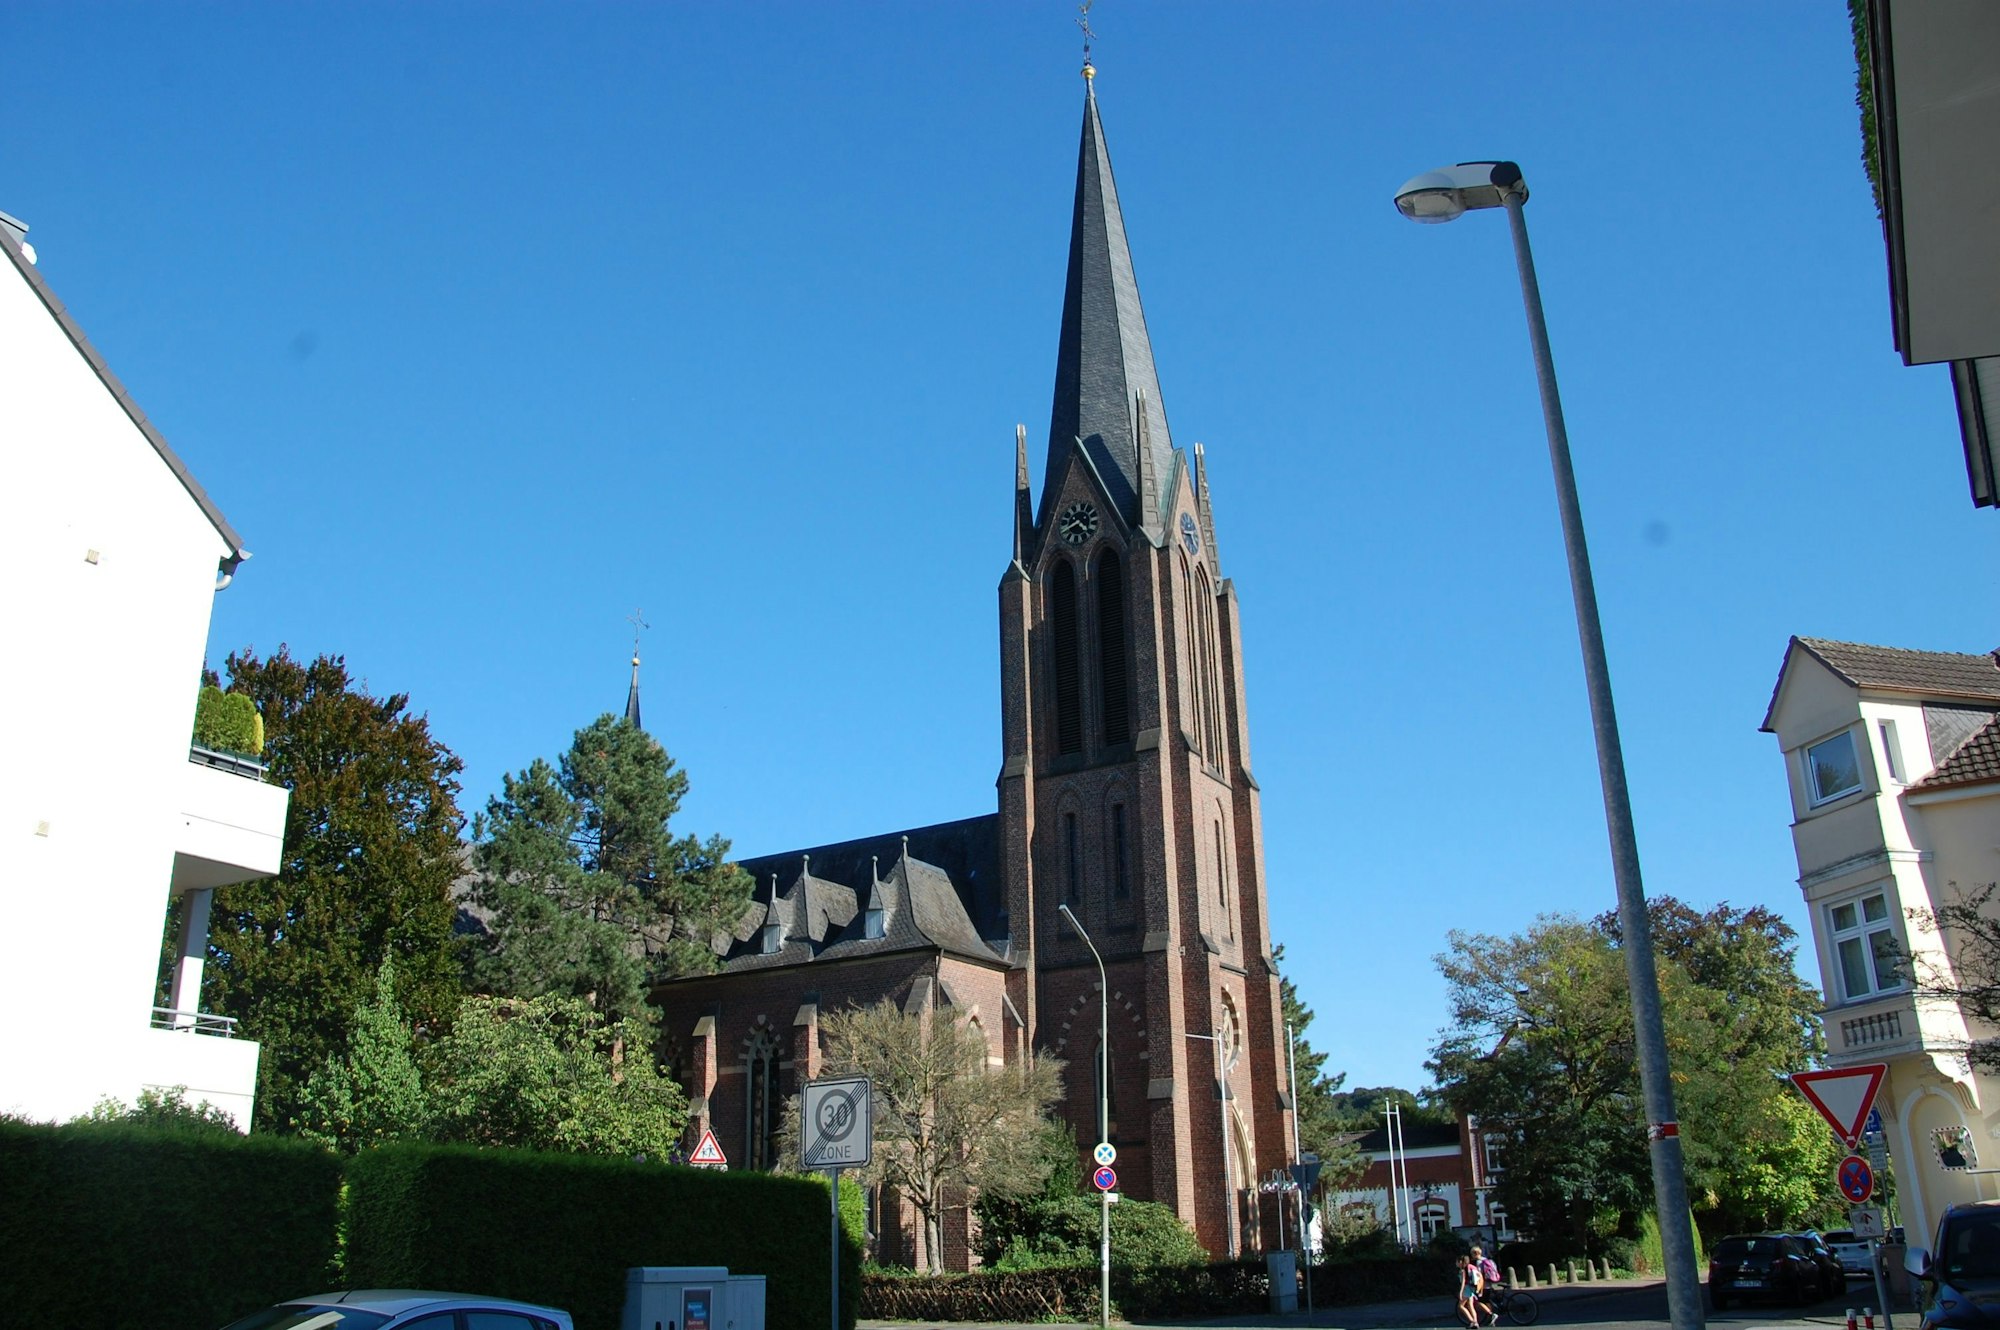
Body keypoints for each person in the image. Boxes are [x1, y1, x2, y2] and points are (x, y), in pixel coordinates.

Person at [1470, 1245, 1503, 1325]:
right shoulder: (1487, 1260)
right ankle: (1491, 1319)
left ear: (1475, 1254)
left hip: (1483, 1285)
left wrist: (1475, 1284)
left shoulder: (1479, 1262)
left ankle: (1491, 1315)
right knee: (1487, 1301)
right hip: (1489, 1283)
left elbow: (1479, 1275)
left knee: (1478, 1301)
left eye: (1472, 1254)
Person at [1456, 1254, 1484, 1329]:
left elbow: (1463, 1282)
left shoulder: (1463, 1270)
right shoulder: (1468, 1268)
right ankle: (1476, 1322)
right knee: (1470, 1306)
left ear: (1461, 1262)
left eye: (1457, 1262)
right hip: (1471, 1288)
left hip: (1466, 1289)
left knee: (1461, 1306)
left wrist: (1461, 1292)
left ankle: (1472, 1321)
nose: (1456, 1263)